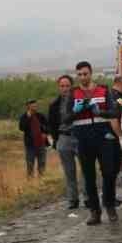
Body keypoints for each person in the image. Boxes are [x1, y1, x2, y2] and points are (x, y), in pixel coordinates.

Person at [70, 61, 121, 225]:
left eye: (85, 74)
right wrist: (74, 112)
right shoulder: (73, 93)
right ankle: (94, 211)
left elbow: (115, 111)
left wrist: (101, 112)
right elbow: (63, 118)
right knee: (89, 176)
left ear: (90, 73)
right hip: (83, 139)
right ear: (77, 75)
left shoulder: (104, 90)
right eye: (80, 74)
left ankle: (110, 206)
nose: (83, 77)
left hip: (103, 137)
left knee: (109, 172)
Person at [48, 75, 80, 211]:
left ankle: (88, 198)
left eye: (67, 86)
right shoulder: (54, 104)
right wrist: (56, 140)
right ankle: (73, 199)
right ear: (58, 87)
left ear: (71, 86)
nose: (65, 88)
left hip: (79, 136)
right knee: (69, 172)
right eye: (62, 86)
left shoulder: (78, 101)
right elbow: (51, 124)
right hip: (63, 138)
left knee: (85, 168)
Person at [18, 99, 49, 178]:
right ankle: (31, 181)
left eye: (35, 105)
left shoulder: (40, 115)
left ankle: (42, 180)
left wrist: (45, 133)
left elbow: (48, 126)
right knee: (30, 164)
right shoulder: (24, 117)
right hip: (30, 145)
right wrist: (28, 118)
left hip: (41, 143)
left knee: (42, 163)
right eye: (32, 105)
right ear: (28, 106)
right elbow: (22, 128)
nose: (35, 106)